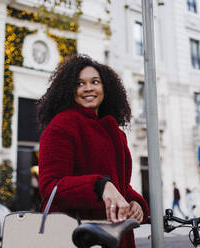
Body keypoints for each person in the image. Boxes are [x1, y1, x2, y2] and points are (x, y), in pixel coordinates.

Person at [37, 55, 149, 248]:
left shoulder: (116, 133)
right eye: (80, 83)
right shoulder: (61, 126)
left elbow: (120, 185)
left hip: (118, 235)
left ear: (105, 88)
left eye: (95, 82)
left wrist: (135, 203)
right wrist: (99, 185)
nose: (88, 88)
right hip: (79, 237)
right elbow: (51, 188)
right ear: (70, 90)